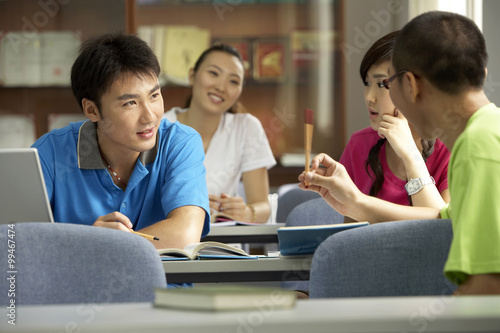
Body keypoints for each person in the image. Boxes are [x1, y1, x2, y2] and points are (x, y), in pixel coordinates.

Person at [299, 11, 500, 295]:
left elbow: (488, 286)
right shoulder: (488, 131)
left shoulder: (477, 145)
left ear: (410, 85)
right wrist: (354, 202)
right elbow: (443, 224)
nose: (372, 96)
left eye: (386, 84)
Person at [31, 33, 210, 250]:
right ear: (92, 110)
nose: (150, 116)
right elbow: (20, 244)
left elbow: (185, 235)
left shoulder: (180, 143)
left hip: (163, 284)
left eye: (154, 96)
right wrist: (91, 242)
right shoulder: (48, 153)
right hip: (81, 285)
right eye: (130, 103)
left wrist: (100, 245)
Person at [340, 30, 450, 216]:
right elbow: (352, 235)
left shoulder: (451, 147)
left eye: (382, 84)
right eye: (367, 83)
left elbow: (442, 231)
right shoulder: (358, 144)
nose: (369, 97)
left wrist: (409, 154)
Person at [163, 44, 276, 223]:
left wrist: (247, 212)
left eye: (233, 81)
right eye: (214, 73)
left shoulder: (246, 128)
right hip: (173, 244)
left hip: (225, 246)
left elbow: (262, 207)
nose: (221, 87)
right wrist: (190, 208)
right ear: (192, 76)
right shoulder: (160, 128)